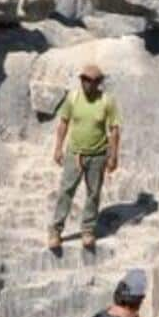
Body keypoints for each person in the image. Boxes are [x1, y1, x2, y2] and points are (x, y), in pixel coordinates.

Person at [49, 64, 121, 253]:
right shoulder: (72, 98)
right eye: (84, 79)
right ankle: (55, 231)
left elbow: (114, 129)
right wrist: (58, 148)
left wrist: (113, 155)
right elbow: (63, 123)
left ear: (98, 82)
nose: (86, 83)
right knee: (66, 191)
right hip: (75, 154)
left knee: (93, 193)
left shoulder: (107, 101)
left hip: (97, 155)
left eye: (91, 80)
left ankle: (88, 230)